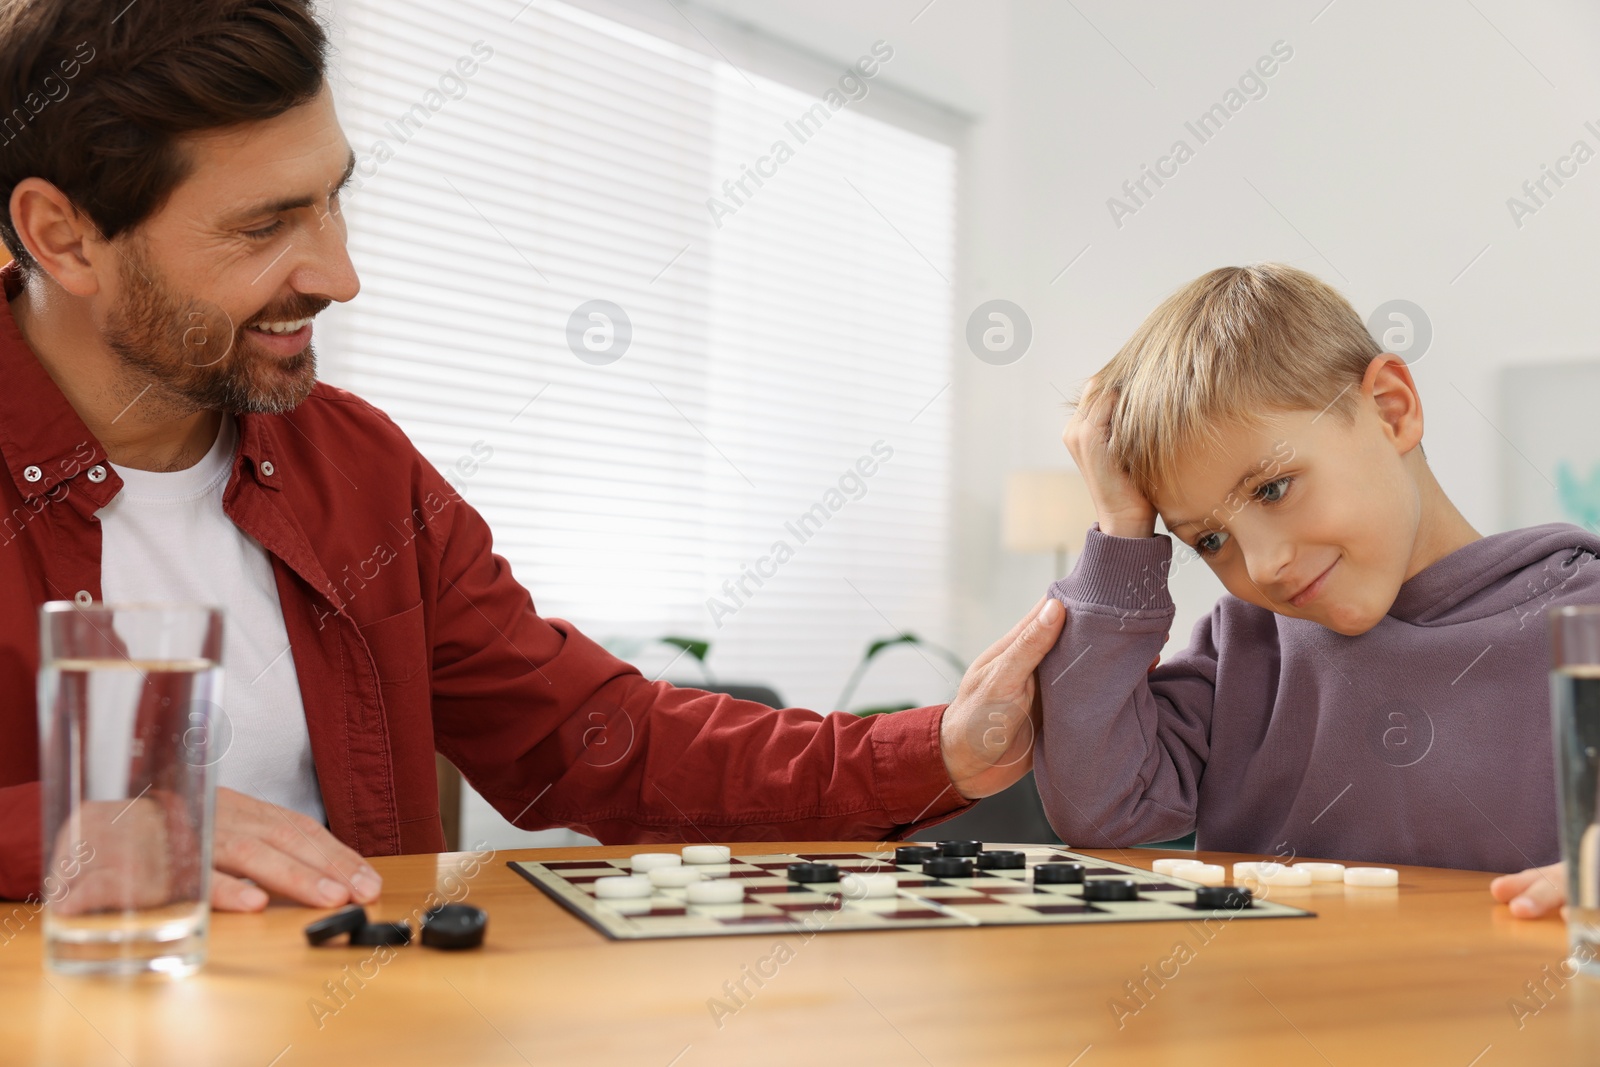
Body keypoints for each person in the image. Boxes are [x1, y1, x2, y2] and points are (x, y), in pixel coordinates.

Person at [0, 0, 1065, 910]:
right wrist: (57, 836)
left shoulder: (359, 467)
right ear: (62, 236)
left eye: (332, 199)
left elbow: (594, 741)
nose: (338, 271)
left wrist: (939, 750)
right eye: (263, 226)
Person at [1035, 262, 1592, 919]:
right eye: (1210, 540)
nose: (1266, 565)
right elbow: (1100, 806)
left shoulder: (1584, 623)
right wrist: (1122, 533)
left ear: (1391, 410)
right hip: (1274, 1013)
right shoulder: (1240, 645)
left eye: (1273, 487)